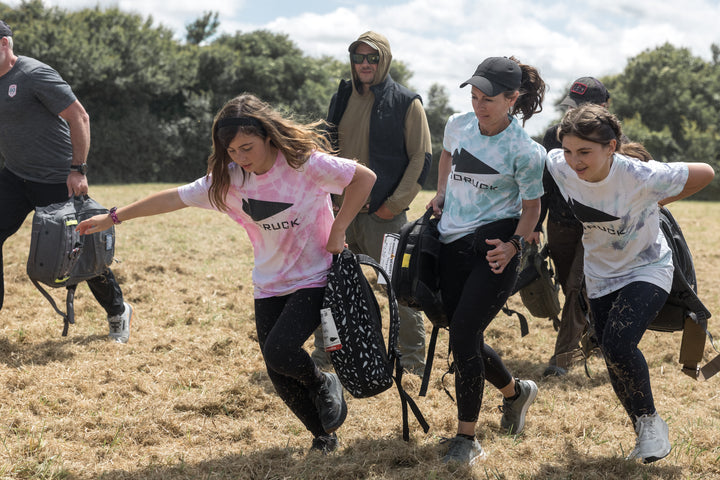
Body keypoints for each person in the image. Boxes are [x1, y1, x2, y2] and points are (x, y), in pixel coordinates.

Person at [76, 93, 377, 454]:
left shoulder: (304, 164)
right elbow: (173, 198)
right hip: (268, 283)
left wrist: (339, 229)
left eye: (247, 148)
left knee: (281, 351)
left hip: (316, 275)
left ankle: (322, 381)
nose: (240, 158)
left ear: (267, 135)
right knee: (275, 367)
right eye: (232, 151)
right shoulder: (228, 180)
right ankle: (322, 436)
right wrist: (112, 217)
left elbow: (364, 178)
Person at [546, 103, 714, 463]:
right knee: (610, 352)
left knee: (620, 345)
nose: (574, 161)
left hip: (647, 268)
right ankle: (643, 428)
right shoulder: (557, 164)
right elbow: (547, 161)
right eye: (569, 150)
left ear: (612, 146)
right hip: (600, 275)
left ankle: (652, 423)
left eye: (585, 152)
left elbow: (706, 172)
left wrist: (655, 201)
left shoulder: (641, 176)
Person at [428, 56, 546, 465]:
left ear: (513, 99)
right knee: (464, 335)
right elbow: (446, 158)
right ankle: (517, 393)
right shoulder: (457, 124)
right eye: (475, 96)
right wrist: (442, 192)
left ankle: (466, 438)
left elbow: (532, 209)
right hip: (450, 243)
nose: (479, 105)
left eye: (489, 99)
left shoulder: (527, 152)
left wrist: (514, 245)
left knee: (462, 333)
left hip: (495, 249)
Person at [0, 20, 133, 342]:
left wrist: (78, 169)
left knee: (79, 251)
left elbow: (79, 116)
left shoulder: (33, 75)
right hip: (15, 177)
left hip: (58, 181)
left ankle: (117, 310)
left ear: (3, 44)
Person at [311, 31, 432, 375]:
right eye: (359, 58)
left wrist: (392, 206)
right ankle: (326, 356)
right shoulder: (342, 96)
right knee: (327, 288)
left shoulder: (407, 102)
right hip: (339, 215)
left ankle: (410, 362)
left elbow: (420, 158)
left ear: (385, 60)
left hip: (385, 218)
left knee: (399, 291)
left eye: (372, 58)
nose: (365, 64)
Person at [533, 76, 611, 377]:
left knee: (579, 288)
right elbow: (544, 181)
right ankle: (598, 339)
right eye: (573, 107)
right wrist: (536, 223)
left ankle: (562, 359)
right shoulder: (554, 135)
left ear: (604, 107)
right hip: (561, 224)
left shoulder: (613, 142)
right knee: (572, 290)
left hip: (597, 228)